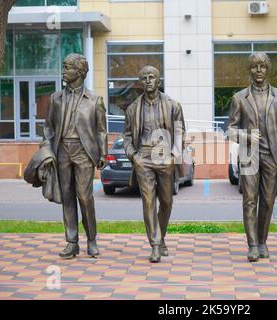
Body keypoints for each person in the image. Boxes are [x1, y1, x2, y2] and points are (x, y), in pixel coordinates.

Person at [40, 53, 108, 259]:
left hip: (83, 152)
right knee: (67, 197)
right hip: (62, 151)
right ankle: (71, 242)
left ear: (79, 72)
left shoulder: (95, 100)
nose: (63, 71)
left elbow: (101, 130)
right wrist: (47, 150)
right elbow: (48, 128)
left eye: (67, 67)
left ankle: (92, 239)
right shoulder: (56, 98)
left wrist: (103, 152)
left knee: (85, 197)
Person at [228, 52, 277, 262]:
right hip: (249, 154)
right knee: (249, 201)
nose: (258, 71)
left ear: (268, 69)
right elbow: (230, 130)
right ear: (249, 69)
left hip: (272, 155)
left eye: (262, 67)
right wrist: (246, 135)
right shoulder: (239, 98)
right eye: (254, 66)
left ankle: (263, 240)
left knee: (268, 201)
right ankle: (253, 245)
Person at [123, 65, 186, 263]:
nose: (148, 80)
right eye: (144, 78)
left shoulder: (172, 105)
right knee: (149, 202)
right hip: (143, 156)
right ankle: (156, 245)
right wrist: (134, 156)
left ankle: (161, 237)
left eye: (152, 77)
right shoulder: (133, 108)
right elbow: (126, 136)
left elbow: (180, 132)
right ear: (140, 82)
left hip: (165, 156)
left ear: (159, 80)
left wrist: (174, 156)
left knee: (166, 202)